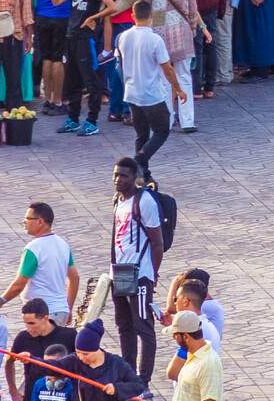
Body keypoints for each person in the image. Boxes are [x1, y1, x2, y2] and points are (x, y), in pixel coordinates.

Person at [109, 157, 164, 382]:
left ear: (135, 178)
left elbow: (157, 241)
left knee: (144, 326)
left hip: (139, 273)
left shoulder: (145, 201)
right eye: (115, 175)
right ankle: (128, 374)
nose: (118, 180)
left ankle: (144, 380)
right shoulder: (118, 201)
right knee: (124, 326)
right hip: (120, 271)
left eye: (123, 175)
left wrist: (153, 273)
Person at [117, 0, 182, 176]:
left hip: (131, 93)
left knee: (141, 134)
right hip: (151, 94)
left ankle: (142, 173)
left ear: (132, 16)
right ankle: (139, 161)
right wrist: (177, 88)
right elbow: (167, 68)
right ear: (151, 16)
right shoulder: (155, 40)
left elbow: (120, 62)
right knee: (162, 130)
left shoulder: (123, 37)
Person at [144, 0, 204, 133]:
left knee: (163, 78)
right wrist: (193, 28)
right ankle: (188, 121)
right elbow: (193, 9)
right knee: (184, 76)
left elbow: (146, 8)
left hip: (159, 34)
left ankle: (167, 121)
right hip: (182, 32)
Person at [3, 203, 78, 320]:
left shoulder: (33, 248)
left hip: (42, 316)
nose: (24, 221)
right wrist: (68, 308)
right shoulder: (63, 244)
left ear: (40, 221)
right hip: (61, 311)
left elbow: (18, 285)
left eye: (28, 218)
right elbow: (75, 277)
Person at [8, 297, 76, 400]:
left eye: (32, 323)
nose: (28, 328)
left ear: (45, 318)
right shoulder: (22, 337)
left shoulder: (70, 335)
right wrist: (13, 391)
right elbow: (9, 362)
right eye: (26, 323)